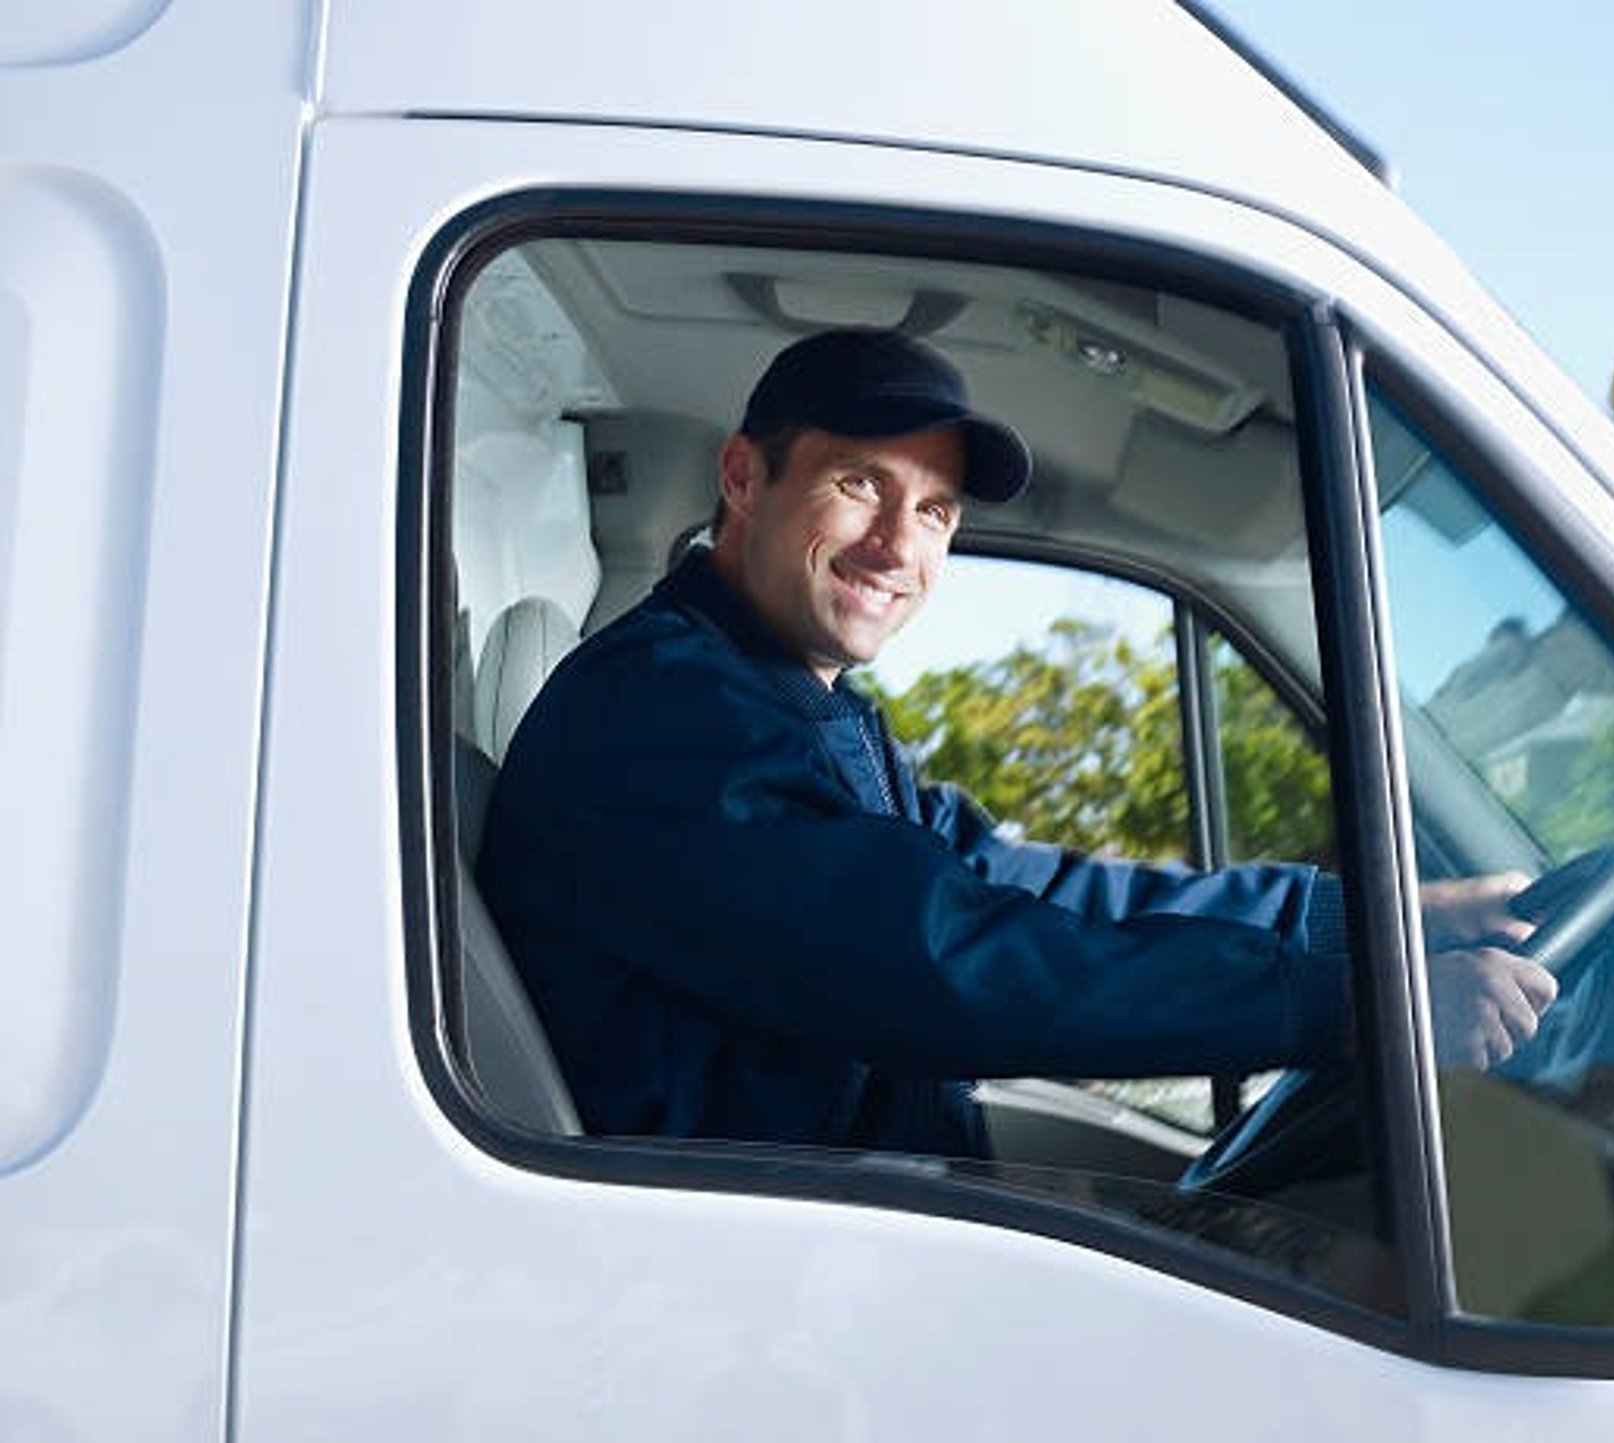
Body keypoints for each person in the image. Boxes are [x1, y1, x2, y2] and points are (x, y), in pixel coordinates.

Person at [477, 328, 1555, 1159]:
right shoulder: (664, 715)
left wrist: (1361, 918)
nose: (898, 545)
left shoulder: (789, 704)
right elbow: (946, 965)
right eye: (860, 484)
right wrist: (1347, 1004)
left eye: (936, 512)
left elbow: (1018, 889)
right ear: (744, 477)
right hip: (739, 1282)